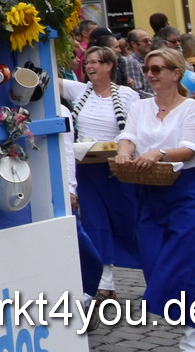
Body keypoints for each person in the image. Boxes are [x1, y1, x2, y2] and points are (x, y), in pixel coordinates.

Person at [114, 48, 195, 352]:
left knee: (190, 262)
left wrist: (159, 152)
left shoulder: (192, 109)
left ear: (176, 73)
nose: (151, 74)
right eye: (148, 68)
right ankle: (180, 312)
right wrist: (123, 151)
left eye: (158, 69)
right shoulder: (140, 106)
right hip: (148, 193)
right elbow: (128, 135)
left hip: (187, 193)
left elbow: (190, 149)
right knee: (153, 259)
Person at [59, 45, 141, 300]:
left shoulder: (127, 95)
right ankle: (104, 284)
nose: (90, 66)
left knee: (128, 219)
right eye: (87, 62)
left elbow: (135, 128)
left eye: (95, 62)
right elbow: (51, 79)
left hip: (118, 167)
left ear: (109, 66)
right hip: (87, 168)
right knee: (95, 223)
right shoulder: (82, 91)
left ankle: (149, 268)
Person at [121, 28, 152, 97]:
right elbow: (136, 91)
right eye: (145, 41)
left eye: (150, 40)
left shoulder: (144, 60)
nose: (149, 43)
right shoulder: (132, 63)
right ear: (134, 44)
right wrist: (156, 98)